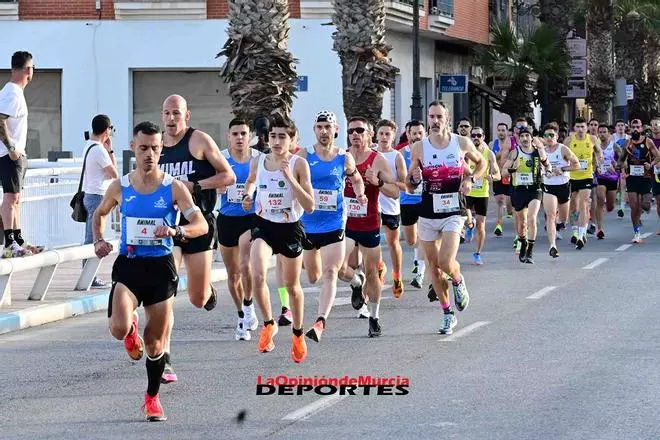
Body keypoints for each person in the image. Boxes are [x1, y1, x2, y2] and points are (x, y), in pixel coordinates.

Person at [93, 121, 209, 421]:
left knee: (156, 343)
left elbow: (201, 225)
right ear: (133, 148)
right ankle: (129, 329)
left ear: (161, 151)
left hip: (160, 267)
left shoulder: (174, 187)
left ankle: (152, 397)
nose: (149, 154)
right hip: (130, 264)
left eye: (155, 149)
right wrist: (99, 240)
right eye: (143, 148)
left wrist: (175, 230)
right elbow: (100, 212)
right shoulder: (121, 186)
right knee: (118, 329)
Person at [158, 94, 236, 383]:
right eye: (166, 113)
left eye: (176, 113)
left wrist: (195, 185)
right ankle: (164, 357)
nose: (171, 119)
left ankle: (208, 291)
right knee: (165, 292)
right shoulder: (156, 146)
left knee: (197, 297)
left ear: (186, 115)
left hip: (199, 224)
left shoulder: (199, 141)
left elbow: (228, 176)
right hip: (166, 229)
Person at [407, 101, 484, 335]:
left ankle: (458, 280)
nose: (435, 121)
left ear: (447, 118)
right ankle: (447, 313)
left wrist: (470, 180)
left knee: (445, 262)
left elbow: (481, 162)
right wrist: (414, 176)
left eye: (439, 116)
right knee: (434, 268)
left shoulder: (460, 142)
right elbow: (410, 185)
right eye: (431, 116)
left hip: (453, 210)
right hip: (428, 212)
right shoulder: (419, 147)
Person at [242, 115, 314, 363]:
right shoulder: (259, 161)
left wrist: (290, 178)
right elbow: (251, 180)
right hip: (264, 225)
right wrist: (248, 194)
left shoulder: (298, 164)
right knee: (258, 273)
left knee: (293, 286)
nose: (276, 141)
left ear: (292, 139)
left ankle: (297, 334)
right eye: (273, 136)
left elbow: (310, 205)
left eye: (282, 136)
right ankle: (268, 323)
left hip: (290, 227)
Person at [299, 110, 365, 342]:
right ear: (314, 130)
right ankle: (356, 281)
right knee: (313, 276)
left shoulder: (343, 157)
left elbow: (356, 178)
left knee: (330, 273)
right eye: (320, 127)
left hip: (334, 222)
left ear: (336, 129)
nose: (324, 131)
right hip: (308, 224)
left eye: (328, 127)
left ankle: (320, 322)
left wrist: (360, 194)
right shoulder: (304, 155)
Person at [339, 116, 399, 337]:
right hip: (344, 224)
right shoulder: (341, 157)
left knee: (373, 272)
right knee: (338, 266)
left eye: (360, 130)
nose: (355, 134)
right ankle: (356, 282)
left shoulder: (377, 159)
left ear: (369, 134)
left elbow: (395, 192)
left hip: (369, 223)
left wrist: (378, 183)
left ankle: (374, 317)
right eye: (351, 130)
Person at [217, 118, 261, 341]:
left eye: (243, 133)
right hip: (226, 219)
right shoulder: (221, 159)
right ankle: (242, 314)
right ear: (229, 136)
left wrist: (252, 195)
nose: (240, 138)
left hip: (250, 218)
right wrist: (219, 186)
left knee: (245, 264)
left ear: (250, 135)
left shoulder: (258, 158)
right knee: (233, 274)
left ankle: (249, 303)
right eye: (235, 134)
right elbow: (211, 182)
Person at [0, 51, 38, 258]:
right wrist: (12, 149)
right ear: (27, 70)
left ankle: (18, 239)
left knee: (16, 199)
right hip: (9, 155)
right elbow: (0, 119)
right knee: (11, 197)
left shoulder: (13, 92)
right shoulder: (12, 93)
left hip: (13, 154)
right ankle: (9, 242)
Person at [503, 128, 552, 264]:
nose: (525, 138)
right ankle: (522, 241)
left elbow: (548, 165)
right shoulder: (515, 153)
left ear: (531, 138)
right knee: (522, 222)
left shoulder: (538, 152)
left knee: (531, 218)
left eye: (527, 136)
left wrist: (548, 170)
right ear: (519, 139)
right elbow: (504, 172)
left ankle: (530, 250)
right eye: (522, 136)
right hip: (518, 190)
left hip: (534, 189)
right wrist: (513, 169)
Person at [81, 114, 118, 288]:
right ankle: (89, 277)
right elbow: (114, 174)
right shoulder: (98, 149)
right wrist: (110, 150)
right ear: (107, 130)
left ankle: (89, 276)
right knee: (94, 237)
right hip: (96, 197)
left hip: (90, 194)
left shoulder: (89, 145)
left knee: (91, 235)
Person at [376, 119, 407, 298]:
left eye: (388, 134)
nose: (384, 137)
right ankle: (380, 265)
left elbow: (404, 186)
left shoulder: (397, 156)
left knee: (393, 243)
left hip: (391, 206)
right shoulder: (371, 154)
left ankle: (397, 276)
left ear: (393, 136)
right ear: (376, 135)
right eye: (381, 133)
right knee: (372, 242)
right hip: (373, 206)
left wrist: (386, 181)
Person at [540, 123, 579, 258]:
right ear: (543, 137)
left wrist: (562, 169)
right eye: (546, 135)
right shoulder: (541, 152)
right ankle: (552, 245)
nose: (549, 138)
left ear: (557, 136)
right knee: (550, 215)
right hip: (549, 186)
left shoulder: (563, 150)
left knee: (562, 219)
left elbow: (577, 165)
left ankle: (561, 224)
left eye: (552, 135)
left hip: (563, 186)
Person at [619, 119, 660, 243]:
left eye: (638, 127)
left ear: (642, 128)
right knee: (633, 206)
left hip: (646, 177)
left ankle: (645, 207)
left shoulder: (648, 142)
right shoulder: (627, 143)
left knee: (645, 205)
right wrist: (622, 167)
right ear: (630, 128)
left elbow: (658, 156)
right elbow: (621, 161)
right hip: (632, 178)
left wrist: (651, 164)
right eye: (633, 127)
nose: (636, 129)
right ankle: (636, 232)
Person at [465, 126, 500, 265]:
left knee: (481, 226)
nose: (476, 138)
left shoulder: (489, 154)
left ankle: (477, 253)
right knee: (467, 219)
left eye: (479, 135)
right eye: (473, 135)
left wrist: (492, 177)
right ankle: (469, 224)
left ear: (483, 137)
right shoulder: (466, 153)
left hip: (482, 193)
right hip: (467, 192)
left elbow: (498, 174)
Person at [397, 120, 426, 288]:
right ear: (407, 134)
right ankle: (418, 257)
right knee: (411, 239)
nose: (417, 136)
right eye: (413, 133)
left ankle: (420, 272)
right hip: (407, 199)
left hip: (425, 199)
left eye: (420, 133)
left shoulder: (429, 151)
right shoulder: (400, 153)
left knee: (423, 235)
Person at [566, 117, 602, 250]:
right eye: (578, 127)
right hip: (572, 177)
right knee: (573, 206)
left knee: (584, 203)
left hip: (587, 176)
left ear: (586, 128)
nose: (580, 130)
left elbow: (598, 151)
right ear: (574, 128)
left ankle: (581, 235)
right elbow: (563, 156)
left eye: (582, 127)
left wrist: (598, 161)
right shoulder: (569, 141)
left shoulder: (592, 139)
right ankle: (575, 230)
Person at [594, 124, 621, 240]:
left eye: (604, 132)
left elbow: (622, 159)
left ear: (609, 134)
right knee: (599, 198)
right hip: (600, 177)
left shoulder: (614, 146)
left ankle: (607, 207)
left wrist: (616, 165)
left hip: (613, 178)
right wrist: (596, 167)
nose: (602, 134)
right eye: (600, 132)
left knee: (610, 207)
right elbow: (591, 160)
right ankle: (599, 228)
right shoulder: (595, 146)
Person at [490, 122, 514, 237]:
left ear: (507, 131)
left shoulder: (512, 144)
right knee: (499, 201)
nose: (501, 132)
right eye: (499, 130)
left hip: (509, 176)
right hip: (497, 176)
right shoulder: (492, 144)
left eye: (503, 130)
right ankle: (498, 225)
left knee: (509, 203)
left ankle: (511, 214)